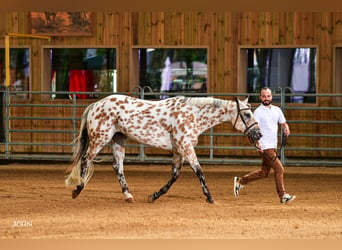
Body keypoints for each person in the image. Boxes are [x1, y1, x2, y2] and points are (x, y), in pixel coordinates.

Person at [234, 87, 296, 204]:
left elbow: (283, 123)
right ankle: (282, 195)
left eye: (268, 96)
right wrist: (258, 144)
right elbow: (254, 130)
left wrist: (286, 128)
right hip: (264, 146)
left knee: (264, 172)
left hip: (273, 145)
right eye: (264, 96)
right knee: (279, 169)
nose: (266, 98)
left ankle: (241, 181)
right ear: (260, 97)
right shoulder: (257, 112)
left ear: (271, 97)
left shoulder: (277, 110)